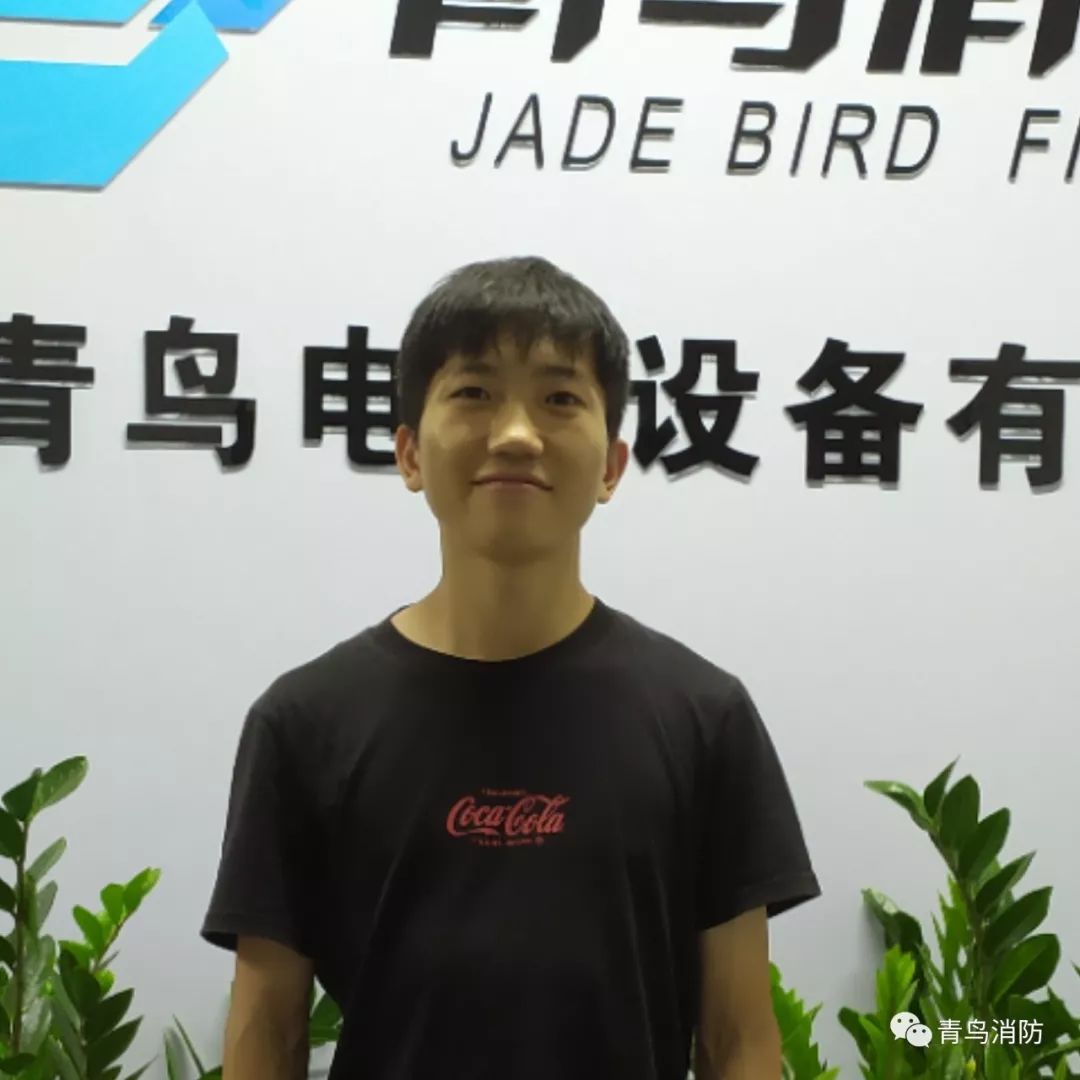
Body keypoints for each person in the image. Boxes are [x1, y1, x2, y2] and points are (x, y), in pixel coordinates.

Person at [200, 255, 822, 1080]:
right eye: (474, 392)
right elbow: (265, 1033)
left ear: (612, 465)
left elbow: (738, 1038)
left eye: (560, 399)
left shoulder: (704, 718)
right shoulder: (305, 721)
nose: (518, 434)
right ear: (409, 453)